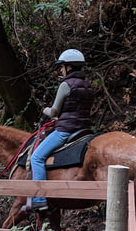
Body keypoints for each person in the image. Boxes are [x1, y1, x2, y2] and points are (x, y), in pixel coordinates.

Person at [24, 49, 95, 212]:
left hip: (66, 130)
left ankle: (39, 199)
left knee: (36, 157)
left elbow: (54, 111)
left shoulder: (66, 85)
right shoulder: (88, 85)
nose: (61, 70)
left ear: (69, 67)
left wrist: (45, 110)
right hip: (84, 129)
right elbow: (77, 109)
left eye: (62, 67)